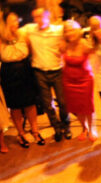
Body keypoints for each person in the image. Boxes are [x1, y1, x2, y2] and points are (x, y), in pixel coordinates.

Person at [0, 11, 42, 148]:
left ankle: (35, 130)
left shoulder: (23, 35)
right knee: (15, 105)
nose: (17, 23)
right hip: (9, 72)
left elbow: (30, 51)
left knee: (30, 102)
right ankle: (21, 133)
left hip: (25, 69)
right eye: (13, 20)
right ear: (5, 24)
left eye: (16, 20)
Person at [23, 8, 71, 142]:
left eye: (40, 16)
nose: (37, 20)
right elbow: (12, 32)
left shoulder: (58, 30)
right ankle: (56, 127)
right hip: (39, 71)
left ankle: (66, 125)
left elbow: (73, 32)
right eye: (35, 17)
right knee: (47, 103)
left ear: (47, 16)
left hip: (57, 70)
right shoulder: (30, 29)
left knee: (62, 102)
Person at [60, 20, 97, 140]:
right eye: (66, 31)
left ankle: (91, 129)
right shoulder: (64, 45)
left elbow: (96, 50)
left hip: (84, 80)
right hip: (69, 81)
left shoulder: (84, 43)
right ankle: (84, 128)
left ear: (76, 30)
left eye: (71, 30)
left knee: (87, 107)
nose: (69, 33)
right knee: (76, 108)